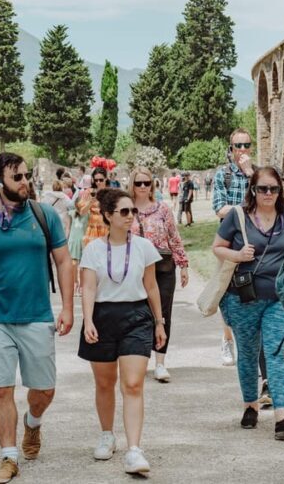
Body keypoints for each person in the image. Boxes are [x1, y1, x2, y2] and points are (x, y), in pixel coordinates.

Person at [0, 152, 74, 484]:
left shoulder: (44, 215)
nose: (26, 182)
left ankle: (33, 422)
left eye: (26, 175)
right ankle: (9, 457)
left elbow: (64, 262)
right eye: (17, 177)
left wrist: (68, 307)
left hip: (37, 315)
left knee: (44, 390)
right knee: (1, 390)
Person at [212, 166, 284, 439]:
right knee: (249, 353)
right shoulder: (238, 216)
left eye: (273, 189)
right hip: (242, 298)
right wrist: (238, 255)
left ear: (280, 191)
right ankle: (250, 404)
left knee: (276, 354)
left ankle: (282, 417)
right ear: (253, 189)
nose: (268, 193)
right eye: (262, 188)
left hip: (279, 298)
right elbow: (217, 247)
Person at [78, 188, 167, 475]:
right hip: (103, 317)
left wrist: (159, 321)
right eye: (124, 212)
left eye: (133, 211)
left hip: (136, 316)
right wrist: (88, 320)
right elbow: (89, 288)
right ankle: (107, 434)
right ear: (108, 215)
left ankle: (134, 450)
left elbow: (152, 287)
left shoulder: (143, 247)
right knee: (104, 384)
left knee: (133, 384)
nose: (130, 216)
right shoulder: (93, 249)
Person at [129, 167, 189, 382]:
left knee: (162, 314)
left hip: (163, 267)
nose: (143, 187)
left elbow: (174, 237)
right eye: (139, 183)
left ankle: (160, 362)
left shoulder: (162, 209)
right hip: (135, 269)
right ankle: (139, 358)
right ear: (132, 186)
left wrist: (183, 264)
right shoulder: (127, 209)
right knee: (138, 313)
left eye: (147, 183)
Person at [212, 129, 256, 368]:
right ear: (231, 149)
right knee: (228, 293)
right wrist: (246, 206)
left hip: (256, 239)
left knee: (255, 290)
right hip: (229, 240)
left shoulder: (257, 175)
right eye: (237, 146)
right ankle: (228, 339)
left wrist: (251, 174)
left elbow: (269, 200)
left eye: (246, 145)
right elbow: (219, 208)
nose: (242, 150)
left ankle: (251, 341)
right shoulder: (223, 175)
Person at [79, 167, 110, 248]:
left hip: (107, 228)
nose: (98, 182)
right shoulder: (89, 192)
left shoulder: (111, 193)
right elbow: (82, 212)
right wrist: (90, 202)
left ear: (106, 179)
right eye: (96, 180)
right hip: (93, 228)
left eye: (101, 180)